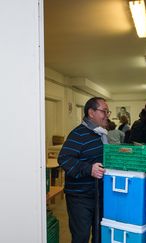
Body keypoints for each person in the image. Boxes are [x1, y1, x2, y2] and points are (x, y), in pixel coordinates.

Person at [58, 97, 108, 243]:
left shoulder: (100, 134)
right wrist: (89, 169)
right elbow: (64, 159)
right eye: (104, 111)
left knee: (99, 236)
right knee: (81, 237)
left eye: (107, 111)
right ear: (91, 112)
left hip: (98, 194)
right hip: (80, 198)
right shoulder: (78, 134)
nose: (107, 115)